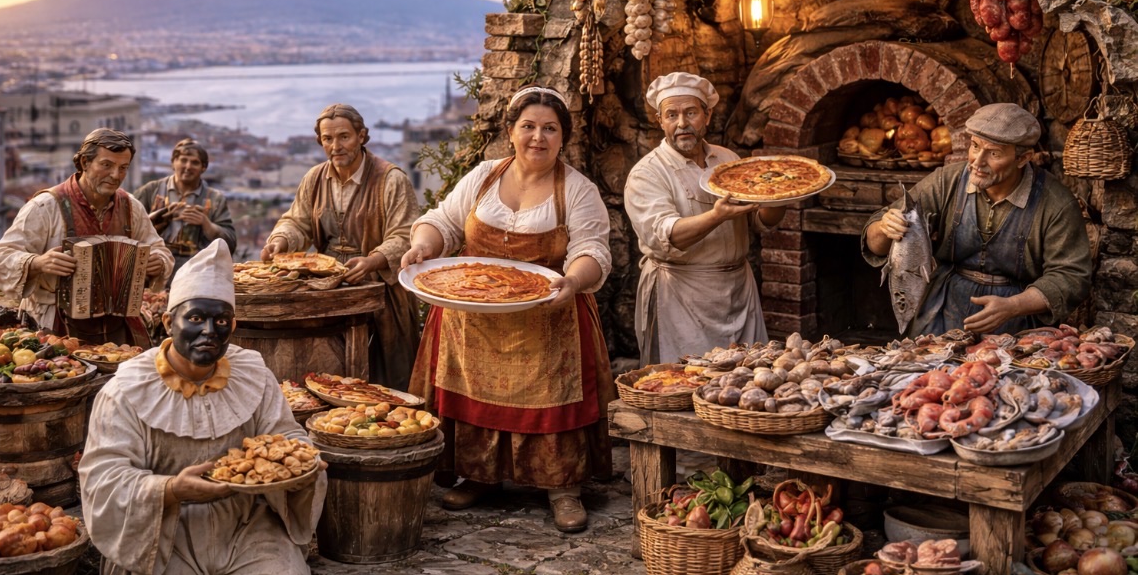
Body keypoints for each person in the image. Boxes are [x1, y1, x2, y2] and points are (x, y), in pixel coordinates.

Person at [78, 239, 327, 575]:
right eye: (195, 318)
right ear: (166, 321)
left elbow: (286, 437)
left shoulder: (253, 374)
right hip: (166, 533)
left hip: (242, 521)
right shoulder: (126, 389)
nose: (210, 332)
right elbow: (104, 479)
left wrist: (303, 466)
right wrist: (171, 489)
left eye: (222, 321)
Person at [401, 86, 614, 533]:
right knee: (476, 395)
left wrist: (572, 280)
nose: (538, 137)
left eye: (550, 129)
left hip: (548, 316)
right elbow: (443, 221)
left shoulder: (577, 189)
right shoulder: (482, 176)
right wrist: (422, 246)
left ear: (563, 137)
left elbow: (591, 248)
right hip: (471, 316)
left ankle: (562, 486)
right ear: (510, 132)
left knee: (550, 400)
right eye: (529, 126)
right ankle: (481, 476)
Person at [862, 102, 1092, 335]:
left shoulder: (1055, 203)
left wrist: (1013, 306)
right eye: (974, 146)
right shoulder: (946, 182)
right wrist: (884, 227)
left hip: (1019, 323)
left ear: (1023, 158)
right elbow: (875, 243)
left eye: (994, 153)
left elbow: (1070, 276)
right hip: (942, 312)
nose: (977, 162)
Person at [625, 72, 786, 365]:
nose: (682, 123)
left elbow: (761, 221)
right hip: (682, 295)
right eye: (671, 115)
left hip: (738, 289)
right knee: (683, 386)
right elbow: (666, 235)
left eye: (691, 113)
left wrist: (782, 196)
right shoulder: (647, 173)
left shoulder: (728, 161)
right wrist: (716, 217)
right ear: (660, 121)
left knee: (748, 384)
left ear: (707, 115)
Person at [261, 103, 421, 390]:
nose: (336, 146)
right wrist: (280, 241)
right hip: (328, 286)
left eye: (344, 137)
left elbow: (405, 234)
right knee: (328, 369)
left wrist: (373, 261)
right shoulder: (314, 178)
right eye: (328, 139)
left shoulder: (391, 179)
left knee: (385, 375)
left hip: (380, 288)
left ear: (361, 136)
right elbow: (297, 222)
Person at [0, 128, 173, 347]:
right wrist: (37, 262)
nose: (116, 175)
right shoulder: (45, 206)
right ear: (85, 162)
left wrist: (157, 262)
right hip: (54, 327)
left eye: (123, 168)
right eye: (106, 165)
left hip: (119, 328)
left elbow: (160, 250)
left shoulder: (132, 207)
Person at [134, 138, 237, 279]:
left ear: (203, 167)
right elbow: (128, 229)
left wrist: (207, 224)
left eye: (195, 162)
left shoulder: (215, 199)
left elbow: (230, 243)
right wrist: (154, 222)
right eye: (183, 160)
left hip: (197, 274)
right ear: (173, 162)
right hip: (155, 271)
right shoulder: (150, 191)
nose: (188, 166)